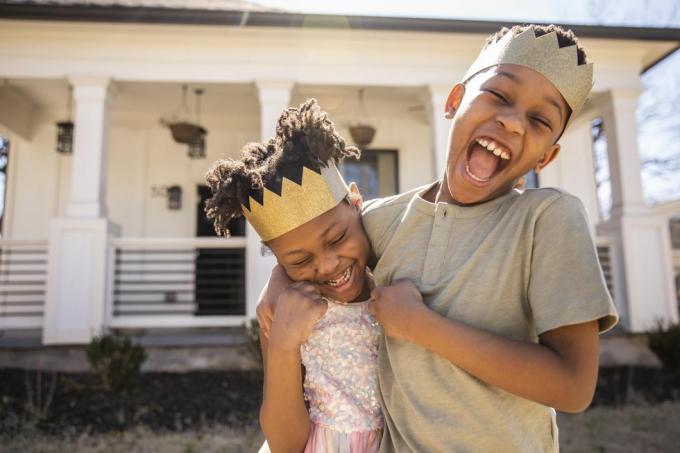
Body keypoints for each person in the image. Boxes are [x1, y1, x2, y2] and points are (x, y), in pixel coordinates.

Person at [259, 24, 619, 452]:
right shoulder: (383, 221)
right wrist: (278, 281)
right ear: (453, 102)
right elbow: (320, 246)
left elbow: (574, 386)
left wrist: (423, 326)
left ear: (546, 155)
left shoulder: (548, 219)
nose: (512, 121)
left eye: (540, 120)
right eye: (500, 96)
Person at [204, 99, 383, 453]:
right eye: (299, 261)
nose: (328, 265)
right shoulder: (285, 312)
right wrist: (284, 342)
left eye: (337, 238)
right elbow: (284, 444)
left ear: (356, 201)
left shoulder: (395, 266)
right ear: (278, 259)